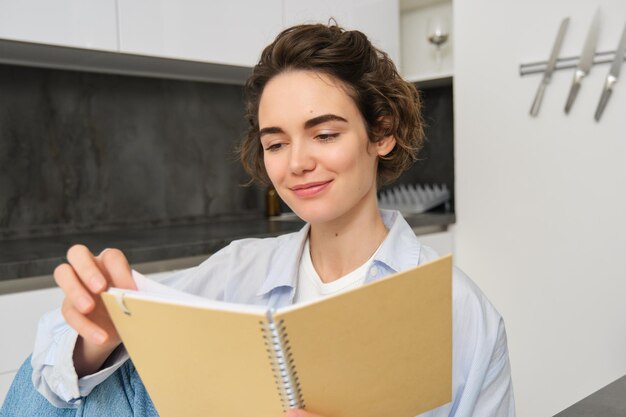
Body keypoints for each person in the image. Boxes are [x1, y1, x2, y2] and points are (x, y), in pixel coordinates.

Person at [1, 23, 515, 417]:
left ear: (380, 134)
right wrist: (100, 336)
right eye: (275, 142)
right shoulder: (237, 270)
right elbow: (45, 379)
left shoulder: (461, 313)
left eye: (326, 134)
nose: (295, 163)